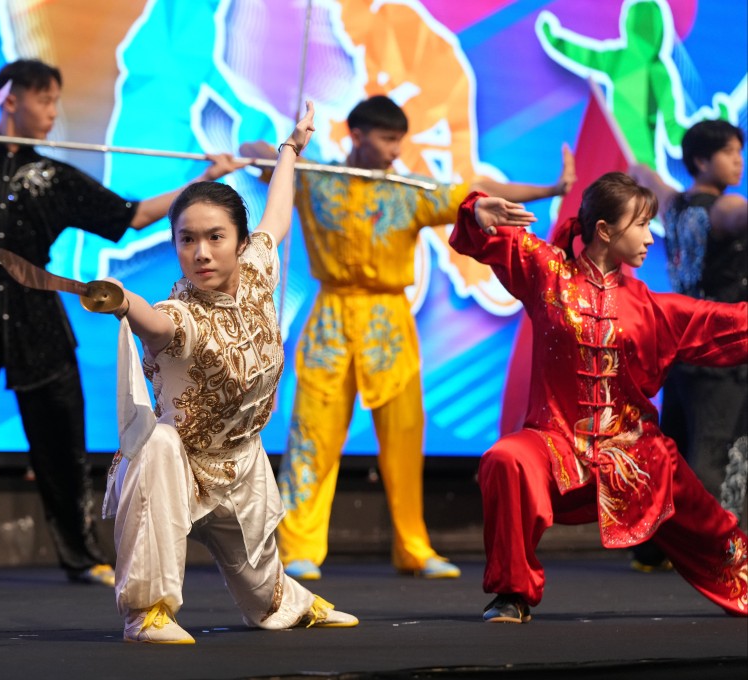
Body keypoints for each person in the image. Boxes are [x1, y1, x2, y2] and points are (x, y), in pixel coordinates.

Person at [0, 59, 244, 586]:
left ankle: (82, 556)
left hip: (37, 315)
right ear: (10, 100)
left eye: (56, 101)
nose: (52, 111)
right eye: (45, 99)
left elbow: (131, 216)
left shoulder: (54, 178)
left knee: (61, 439)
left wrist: (203, 182)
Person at [242, 95, 576, 581]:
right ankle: (298, 547)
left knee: (403, 440)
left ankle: (414, 547)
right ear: (358, 135)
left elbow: (477, 192)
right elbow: (253, 154)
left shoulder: (408, 189)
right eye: (387, 139)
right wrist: (286, 150)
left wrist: (550, 189)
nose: (396, 151)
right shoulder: (315, 178)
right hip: (331, 321)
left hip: (389, 326)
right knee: (310, 438)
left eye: (400, 140)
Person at [92, 101, 357, 643]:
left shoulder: (257, 270)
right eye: (186, 240)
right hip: (178, 466)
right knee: (158, 445)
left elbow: (276, 216)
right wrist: (122, 299)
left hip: (240, 462)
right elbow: (152, 322)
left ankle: (289, 603)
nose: (201, 253)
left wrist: (289, 149)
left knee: (265, 593)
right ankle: (147, 614)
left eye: (215, 237)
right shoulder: (179, 316)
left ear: (239, 240)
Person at [449, 172, 748, 623]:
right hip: (554, 445)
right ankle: (512, 594)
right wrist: (476, 210)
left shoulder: (650, 307)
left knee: (709, 525)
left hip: (635, 454)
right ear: (605, 230)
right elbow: (480, 238)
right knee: (506, 459)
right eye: (641, 225)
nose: (650, 237)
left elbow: (727, 325)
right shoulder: (547, 273)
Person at [629, 121, 747, 560]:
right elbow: (738, 216)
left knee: (673, 449)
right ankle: (713, 552)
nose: (738, 161)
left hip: (681, 347)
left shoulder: (672, 204)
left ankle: (653, 550)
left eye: (739, 151)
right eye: (728, 152)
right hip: (725, 349)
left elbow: (644, 173)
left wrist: (636, 168)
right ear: (700, 160)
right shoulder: (727, 207)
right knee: (717, 449)